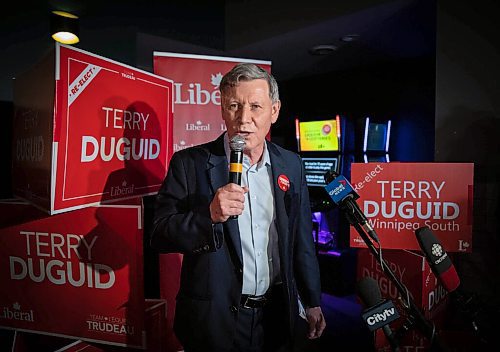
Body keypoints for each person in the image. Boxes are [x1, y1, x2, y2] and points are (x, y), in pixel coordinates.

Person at [150, 63, 326, 352]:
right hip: (214, 320)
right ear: (222, 108)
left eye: (256, 106)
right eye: (234, 105)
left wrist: (312, 300)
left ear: (275, 110)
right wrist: (209, 215)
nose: (244, 119)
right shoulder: (189, 164)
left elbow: (302, 238)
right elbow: (159, 233)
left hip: (276, 315)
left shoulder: (291, 165)